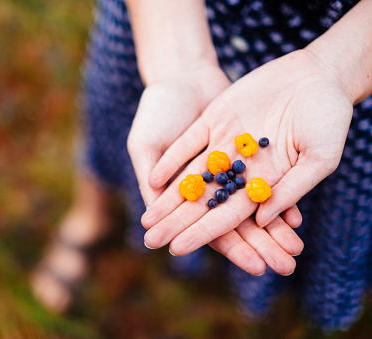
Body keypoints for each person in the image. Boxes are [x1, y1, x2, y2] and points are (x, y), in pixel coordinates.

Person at [32, 0, 372, 331]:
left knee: (320, 207)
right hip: (169, 24)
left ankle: (280, 296)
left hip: (348, 52)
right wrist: (177, 67)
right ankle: (90, 214)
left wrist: (337, 68)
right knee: (115, 121)